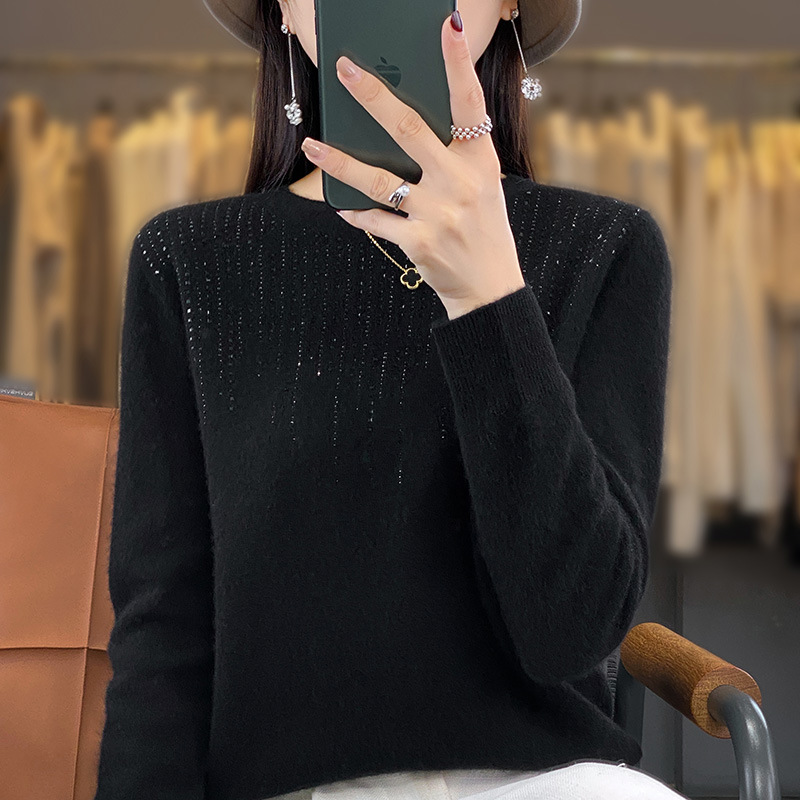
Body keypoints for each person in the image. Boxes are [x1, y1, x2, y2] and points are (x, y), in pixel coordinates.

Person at [93, 1, 686, 799]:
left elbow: (572, 634)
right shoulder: (186, 264)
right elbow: (163, 627)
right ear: (284, 9)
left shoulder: (607, 250)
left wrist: (490, 300)